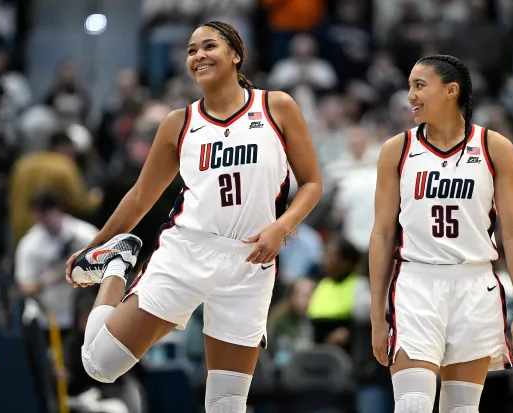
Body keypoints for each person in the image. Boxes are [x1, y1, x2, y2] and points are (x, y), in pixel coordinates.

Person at [65, 21, 322, 412]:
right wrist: (94, 247)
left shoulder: (276, 106)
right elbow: (138, 198)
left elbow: (312, 184)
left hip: (250, 263)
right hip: (186, 251)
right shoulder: (179, 123)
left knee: (226, 404)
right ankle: (118, 263)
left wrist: (282, 227)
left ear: (236, 54)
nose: (198, 55)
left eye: (208, 46)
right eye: (190, 50)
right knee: (100, 366)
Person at [368, 55, 513, 413]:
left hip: (476, 285)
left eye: (419, 85)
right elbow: (382, 234)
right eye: (410, 85)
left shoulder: (495, 147)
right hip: (416, 282)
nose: (409, 95)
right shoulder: (396, 150)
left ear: (451, 90)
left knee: (461, 409)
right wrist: (375, 314)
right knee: (412, 404)